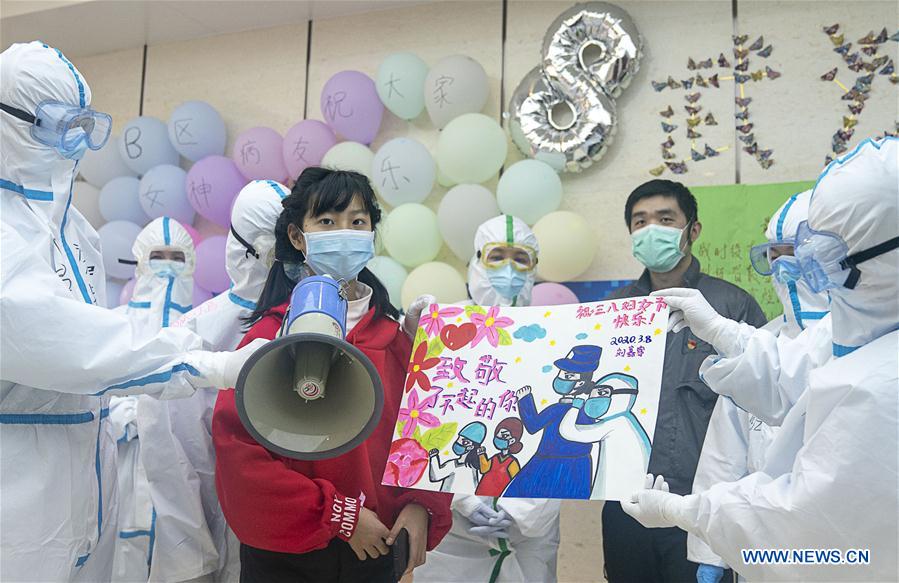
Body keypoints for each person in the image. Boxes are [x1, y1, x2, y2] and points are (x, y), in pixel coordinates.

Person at [0, 41, 263, 583]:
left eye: (84, 125)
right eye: (58, 125)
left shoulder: (75, 231)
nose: (75, 144)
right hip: (19, 480)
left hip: (88, 477)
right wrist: (206, 363)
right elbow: (58, 339)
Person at [623, 137, 898, 581]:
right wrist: (724, 333)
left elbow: (805, 524)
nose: (801, 271)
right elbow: (791, 378)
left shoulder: (881, 383)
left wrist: (686, 512)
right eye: (782, 255)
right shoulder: (853, 329)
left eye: (823, 256)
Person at [211, 167, 452, 582]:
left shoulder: (394, 340)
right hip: (287, 561)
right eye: (326, 221)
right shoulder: (270, 338)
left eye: (357, 222)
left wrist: (421, 504)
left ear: (371, 234)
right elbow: (239, 453)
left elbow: (428, 433)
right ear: (297, 237)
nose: (344, 232)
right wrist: (338, 516)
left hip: (376, 551)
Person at [601, 179, 767, 582]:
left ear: (693, 230)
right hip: (627, 501)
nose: (651, 229)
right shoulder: (613, 310)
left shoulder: (731, 307)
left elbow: (764, 403)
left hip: (704, 505)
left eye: (665, 219)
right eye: (640, 221)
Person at [688, 190, 830, 583]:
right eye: (774, 256)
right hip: (764, 545)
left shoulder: (870, 341)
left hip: (845, 541)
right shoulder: (761, 343)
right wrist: (709, 549)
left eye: (795, 253)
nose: (784, 269)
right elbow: (724, 450)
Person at [414, 214, 563, 583]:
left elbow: (562, 437)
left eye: (521, 258)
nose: (509, 270)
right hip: (454, 532)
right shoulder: (446, 333)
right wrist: (462, 499)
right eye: (497, 256)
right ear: (476, 261)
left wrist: (523, 513)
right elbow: (423, 428)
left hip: (530, 533)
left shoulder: (560, 335)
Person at [158, 179, 289, 583]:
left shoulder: (313, 320)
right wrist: (191, 562)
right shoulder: (197, 331)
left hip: (297, 531)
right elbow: (177, 458)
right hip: (225, 524)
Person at [106, 216, 214, 583]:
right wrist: (133, 415)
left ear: (191, 264)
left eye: (177, 257)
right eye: (158, 256)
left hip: (184, 469)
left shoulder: (201, 331)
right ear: (140, 260)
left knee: (182, 561)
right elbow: (92, 394)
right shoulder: (115, 326)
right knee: (120, 561)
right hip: (124, 463)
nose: (167, 266)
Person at [559, 372, 651, 500]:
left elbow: (569, 431)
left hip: (619, 490)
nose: (592, 399)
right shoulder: (625, 421)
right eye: (593, 394)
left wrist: (575, 408)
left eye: (602, 393)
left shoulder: (616, 423)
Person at [428, 421, 487, 492]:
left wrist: (434, 457)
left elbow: (435, 477)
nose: (458, 442)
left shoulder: (454, 465)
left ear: (471, 447)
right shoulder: (473, 467)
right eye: (458, 438)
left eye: (464, 441)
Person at [474, 417, 524, 496]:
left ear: (512, 441)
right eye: (497, 434)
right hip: (482, 492)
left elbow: (515, 482)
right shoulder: (495, 457)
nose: (499, 438)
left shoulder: (512, 462)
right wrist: (482, 455)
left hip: (498, 497)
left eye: (504, 435)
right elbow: (484, 469)